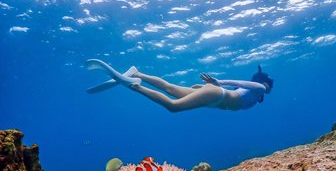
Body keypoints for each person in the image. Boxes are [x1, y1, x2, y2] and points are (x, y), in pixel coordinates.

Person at [86, 59, 273, 112]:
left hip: (214, 97)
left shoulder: (257, 95)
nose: (267, 87)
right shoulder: (261, 88)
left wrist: (211, 87)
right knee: (173, 106)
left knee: (170, 88)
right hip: (216, 95)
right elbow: (240, 83)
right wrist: (219, 82)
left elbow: (240, 89)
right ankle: (135, 85)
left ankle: (137, 73)